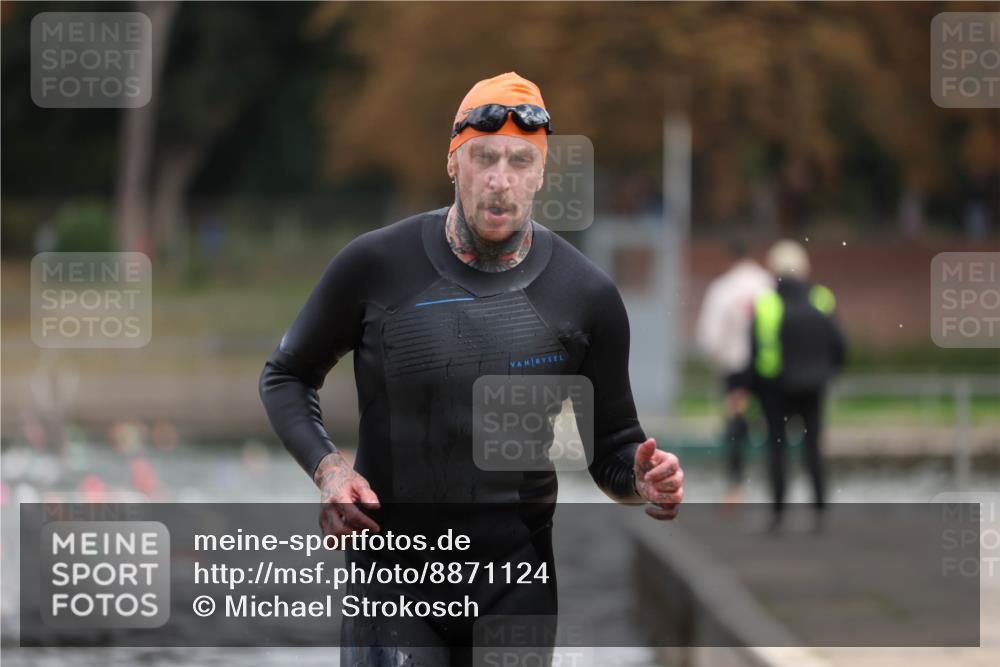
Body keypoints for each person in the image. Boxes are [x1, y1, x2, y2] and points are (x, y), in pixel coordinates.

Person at [259, 72, 684, 666]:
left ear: (541, 174)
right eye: (484, 158)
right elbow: (286, 375)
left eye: (519, 161)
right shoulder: (376, 265)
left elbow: (612, 447)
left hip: (516, 581)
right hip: (393, 575)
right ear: (453, 163)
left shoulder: (585, 296)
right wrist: (330, 470)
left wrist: (644, 482)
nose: (500, 179)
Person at [749, 240, 846, 532]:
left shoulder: (766, 304)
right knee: (813, 448)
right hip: (814, 387)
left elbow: (758, 351)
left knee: (777, 449)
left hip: (776, 389)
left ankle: (778, 515)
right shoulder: (822, 299)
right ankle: (820, 514)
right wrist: (828, 372)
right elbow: (839, 344)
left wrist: (761, 387)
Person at [695, 239, 771, 503]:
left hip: (736, 370)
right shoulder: (768, 284)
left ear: (729, 259)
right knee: (772, 425)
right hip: (768, 367)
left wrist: (719, 361)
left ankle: (735, 489)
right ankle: (776, 488)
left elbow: (709, 338)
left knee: (737, 428)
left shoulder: (723, 288)